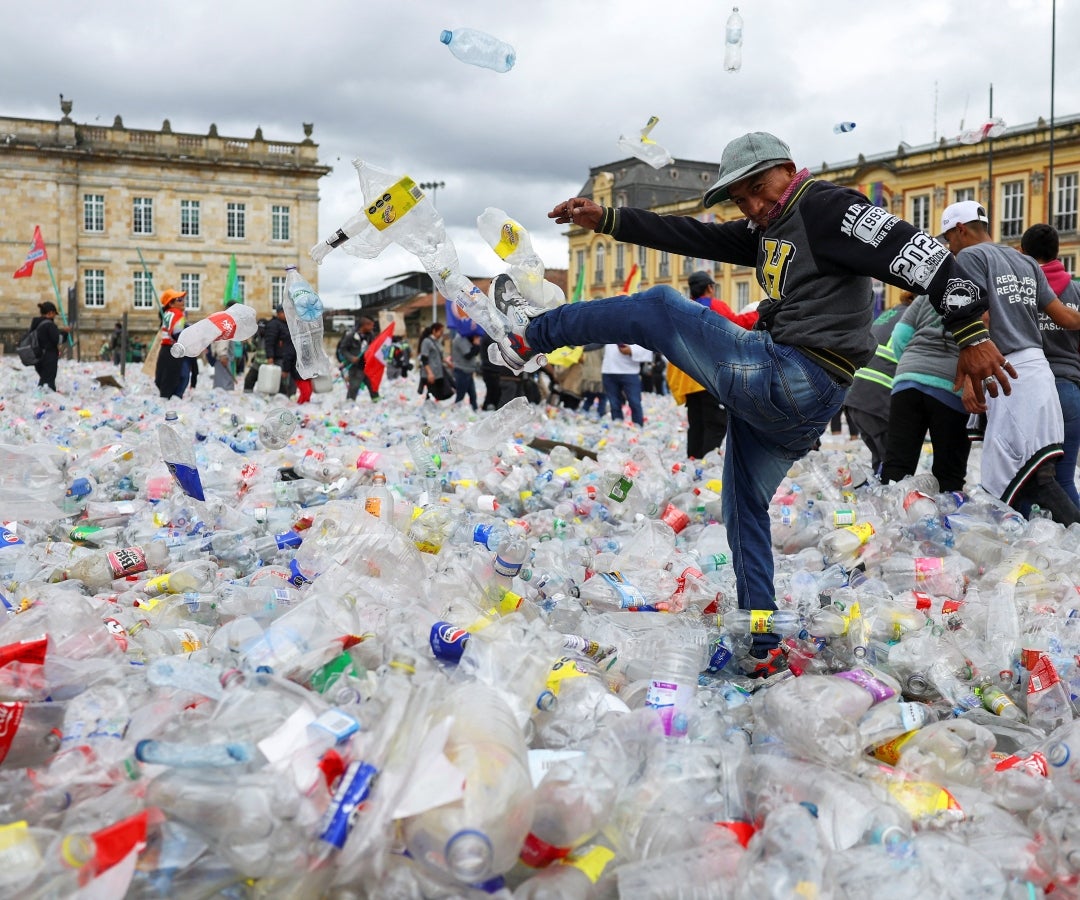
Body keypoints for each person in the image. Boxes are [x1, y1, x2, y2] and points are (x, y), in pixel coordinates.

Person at [483, 131, 1011, 677]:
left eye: (759, 189)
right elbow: (690, 235)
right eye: (742, 200)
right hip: (802, 399)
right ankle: (764, 643)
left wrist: (971, 333)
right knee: (743, 509)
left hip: (796, 373)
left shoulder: (828, 208)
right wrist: (610, 220)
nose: (754, 206)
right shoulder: (767, 228)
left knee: (661, 307)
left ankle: (529, 333)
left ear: (787, 168)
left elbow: (922, 255)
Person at [939, 200, 1080, 522]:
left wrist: (973, 381)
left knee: (1032, 474)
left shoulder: (970, 257)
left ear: (960, 230)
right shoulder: (1026, 262)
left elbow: (980, 317)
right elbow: (1066, 318)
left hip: (1006, 371)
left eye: (948, 237)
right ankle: (1019, 539)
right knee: (1029, 471)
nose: (949, 245)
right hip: (1037, 371)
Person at [879, 294, 970, 491]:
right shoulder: (981, 291)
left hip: (908, 381)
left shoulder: (928, 294)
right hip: (951, 385)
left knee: (897, 465)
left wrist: (914, 364)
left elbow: (900, 335)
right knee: (949, 473)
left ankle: (890, 516)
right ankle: (947, 517)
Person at [667, 271, 759, 459]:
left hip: (688, 376)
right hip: (708, 375)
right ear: (709, 287)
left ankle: (693, 462)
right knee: (716, 424)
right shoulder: (713, 306)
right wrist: (761, 312)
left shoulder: (683, 308)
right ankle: (705, 465)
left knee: (697, 423)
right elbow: (736, 324)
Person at [1021, 223, 1080, 508]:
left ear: (1024, 253)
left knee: (1026, 479)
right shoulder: (1076, 291)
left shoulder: (1020, 288)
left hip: (1032, 390)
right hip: (1069, 388)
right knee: (1065, 480)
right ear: (1056, 251)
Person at [842, 293, 912, 476]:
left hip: (856, 396)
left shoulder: (892, 312)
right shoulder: (914, 316)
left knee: (881, 460)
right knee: (894, 464)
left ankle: (879, 497)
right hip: (877, 398)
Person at [264, 305, 313, 404]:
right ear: (278, 313)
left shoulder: (289, 324)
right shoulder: (274, 324)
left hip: (289, 358)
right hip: (279, 358)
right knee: (281, 381)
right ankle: (280, 400)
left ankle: (290, 399)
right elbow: (269, 341)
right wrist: (270, 356)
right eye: (284, 312)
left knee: (291, 382)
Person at [602, 342, 651, 426]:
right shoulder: (608, 329)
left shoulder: (636, 329)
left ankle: (637, 426)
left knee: (634, 402)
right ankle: (617, 427)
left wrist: (631, 350)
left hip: (630, 371)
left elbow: (647, 348)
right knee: (614, 404)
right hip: (609, 370)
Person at [154, 290, 189, 400]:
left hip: (164, 350)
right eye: (179, 299)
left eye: (183, 299)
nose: (183, 301)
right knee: (176, 379)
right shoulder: (178, 313)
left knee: (162, 379)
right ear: (171, 303)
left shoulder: (167, 313)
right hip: (173, 350)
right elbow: (177, 333)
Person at [338, 315, 379, 402]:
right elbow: (343, 349)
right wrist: (351, 357)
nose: (372, 327)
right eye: (371, 325)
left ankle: (377, 404)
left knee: (373, 386)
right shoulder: (351, 336)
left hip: (368, 366)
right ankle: (349, 404)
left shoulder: (371, 336)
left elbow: (375, 347)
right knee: (354, 387)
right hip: (355, 367)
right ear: (364, 325)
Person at [29, 301, 67, 391]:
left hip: (38, 357)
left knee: (44, 380)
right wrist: (65, 333)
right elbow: (58, 339)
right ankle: (46, 401)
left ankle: (43, 399)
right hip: (48, 357)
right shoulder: (49, 325)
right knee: (48, 383)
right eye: (54, 314)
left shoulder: (36, 323)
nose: (54, 316)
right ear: (50, 313)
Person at [451, 329, 482, 410]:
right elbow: (468, 355)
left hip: (468, 371)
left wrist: (476, 344)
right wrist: (475, 344)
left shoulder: (466, 338)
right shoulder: (460, 338)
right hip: (462, 371)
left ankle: (474, 412)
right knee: (460, 396)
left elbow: (475, 352)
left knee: (473, 395)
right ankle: (456, 415)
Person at [419, 321, 450, 401]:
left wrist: (448, 363)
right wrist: (429, 373)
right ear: (434, 331)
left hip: (438, 374)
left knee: (439, 396)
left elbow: (439, 357)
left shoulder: (437, 342)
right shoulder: (426, 342)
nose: (442, 334)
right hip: (430, 375)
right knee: (429, 397)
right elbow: (424, 359)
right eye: (440, 332)